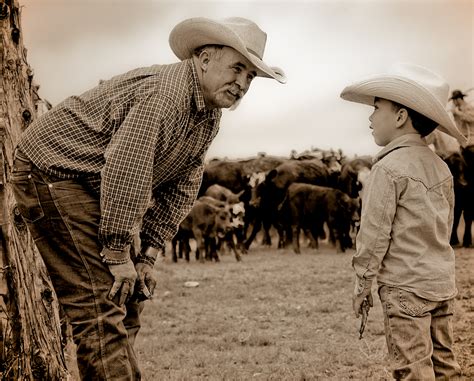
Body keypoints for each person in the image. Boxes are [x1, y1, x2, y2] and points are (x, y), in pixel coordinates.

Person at [11, 17, 285, 380]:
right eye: (237, 68)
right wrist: (118, 252)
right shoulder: (165, 96)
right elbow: (127, 168)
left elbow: (186, 182)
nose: (243, 84)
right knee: (101, 303)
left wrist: (148, 254)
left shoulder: (208, 114)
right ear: (204, 58)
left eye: (250, 76)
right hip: (53, 173)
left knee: (129, 297)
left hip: (96, 184)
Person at [340, 63, 465, 380]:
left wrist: (362, 283)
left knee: (412, 370)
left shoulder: (386, 169)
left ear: (400, 117)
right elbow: (443, 229)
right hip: (440, 284)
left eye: (376, 107)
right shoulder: (441, 167)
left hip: (405, 288)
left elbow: (373, 235)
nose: (370, 118)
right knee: (445, 367)